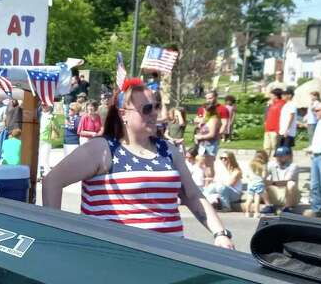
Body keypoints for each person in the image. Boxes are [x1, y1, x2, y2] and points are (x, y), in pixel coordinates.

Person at [42, 79, 234, 249]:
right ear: (123, 114)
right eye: (147, 109)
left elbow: (193, 195)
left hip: (171, 257)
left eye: (156, 106)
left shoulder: (168, 150)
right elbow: (52, 182)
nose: (154, 114)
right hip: (114, 261)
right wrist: (55, 237)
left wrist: (220, 234)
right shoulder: (102, 149)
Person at [262, 146, 299, 214]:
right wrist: (264, 171)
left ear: (288, 156)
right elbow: (264, 177)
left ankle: (287, 208)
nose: (278, 158)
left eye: (281, 156)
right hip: (276, 192)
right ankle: (268, 206)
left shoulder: (293, 166)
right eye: (277, 156)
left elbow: (285, 181)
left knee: (291, 184)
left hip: (288, 195)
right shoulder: (272, 165)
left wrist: (271, 183)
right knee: (259, 183)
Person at [194, 104, 222, 183]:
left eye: (204, 111)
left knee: (209, 165)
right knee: (202, 163)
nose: (203, 112)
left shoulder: (214, 119)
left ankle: (209, 183)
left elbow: (212, 134)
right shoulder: (207, 119)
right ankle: (205, 180)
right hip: (203, 145)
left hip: (210, 145)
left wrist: (200, 137)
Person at [244, 151, 268, 217]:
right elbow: (264, 176)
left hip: (251, 183)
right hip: (259, 183)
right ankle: (256, 212)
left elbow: (247, 175)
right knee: (257, 198)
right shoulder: (263, 165)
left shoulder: (250, 164)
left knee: (249, 198)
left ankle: (247, 212)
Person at [263, 88, 284, 154]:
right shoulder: (271, 104)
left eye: (271, 95)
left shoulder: (281, 104)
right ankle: (266, 161)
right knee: (266, 147)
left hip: (275, 130)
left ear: (276, 96)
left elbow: (282, 118)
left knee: (274, 147)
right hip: (268, 129)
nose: (270, 96)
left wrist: (278, 130)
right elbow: (266, 114)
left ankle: (274, 161)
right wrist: (268, 106)